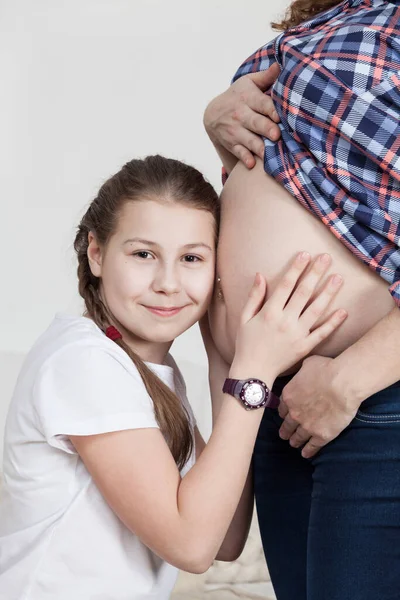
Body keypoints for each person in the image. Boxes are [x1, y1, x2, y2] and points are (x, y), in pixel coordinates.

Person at [0, 154, 346, 600]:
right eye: (143, 254)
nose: (168, 282)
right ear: (97, 253)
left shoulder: (147, 371)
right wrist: (255, 369)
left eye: (191, 258)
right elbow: (193, 546)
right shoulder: (83, 363)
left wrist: (225, 353)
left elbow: (226, 535)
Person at [203, 1, 400, 599]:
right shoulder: (332, 24)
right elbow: (318, 167)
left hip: (370, 399)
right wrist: (218, 119)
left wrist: (346, 380)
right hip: (270, 403)